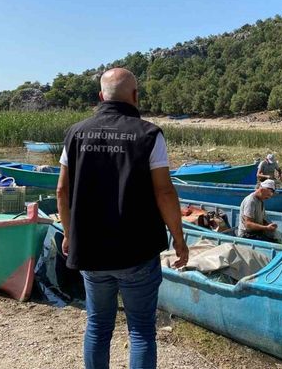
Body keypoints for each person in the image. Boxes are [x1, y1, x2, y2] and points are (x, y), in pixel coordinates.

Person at [56, 67, 188, 369]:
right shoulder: (149, 134)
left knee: (98, 327)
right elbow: (165, 193)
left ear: (101, 96)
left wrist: (68, 233)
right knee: (141, 330)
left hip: (90, 251)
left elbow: (62, 190)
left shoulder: (75, 133)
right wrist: (179, 239)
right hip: (136, 252)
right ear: (135, 96)